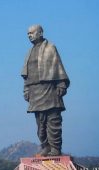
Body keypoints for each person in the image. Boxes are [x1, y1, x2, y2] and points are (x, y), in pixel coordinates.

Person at [21, 25, 69, 157]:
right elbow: (26, 76)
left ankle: (55, 148)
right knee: (40, 125)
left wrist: (61, 84)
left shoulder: (50, 48)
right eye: (27, 34)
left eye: (31, 33)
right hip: (35, 91)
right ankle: (45, 146)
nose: (29, 35)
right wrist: (26, 90)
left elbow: (57, 67)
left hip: (50, 90)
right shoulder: (28, 53)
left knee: (53, 121)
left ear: (40, 32)